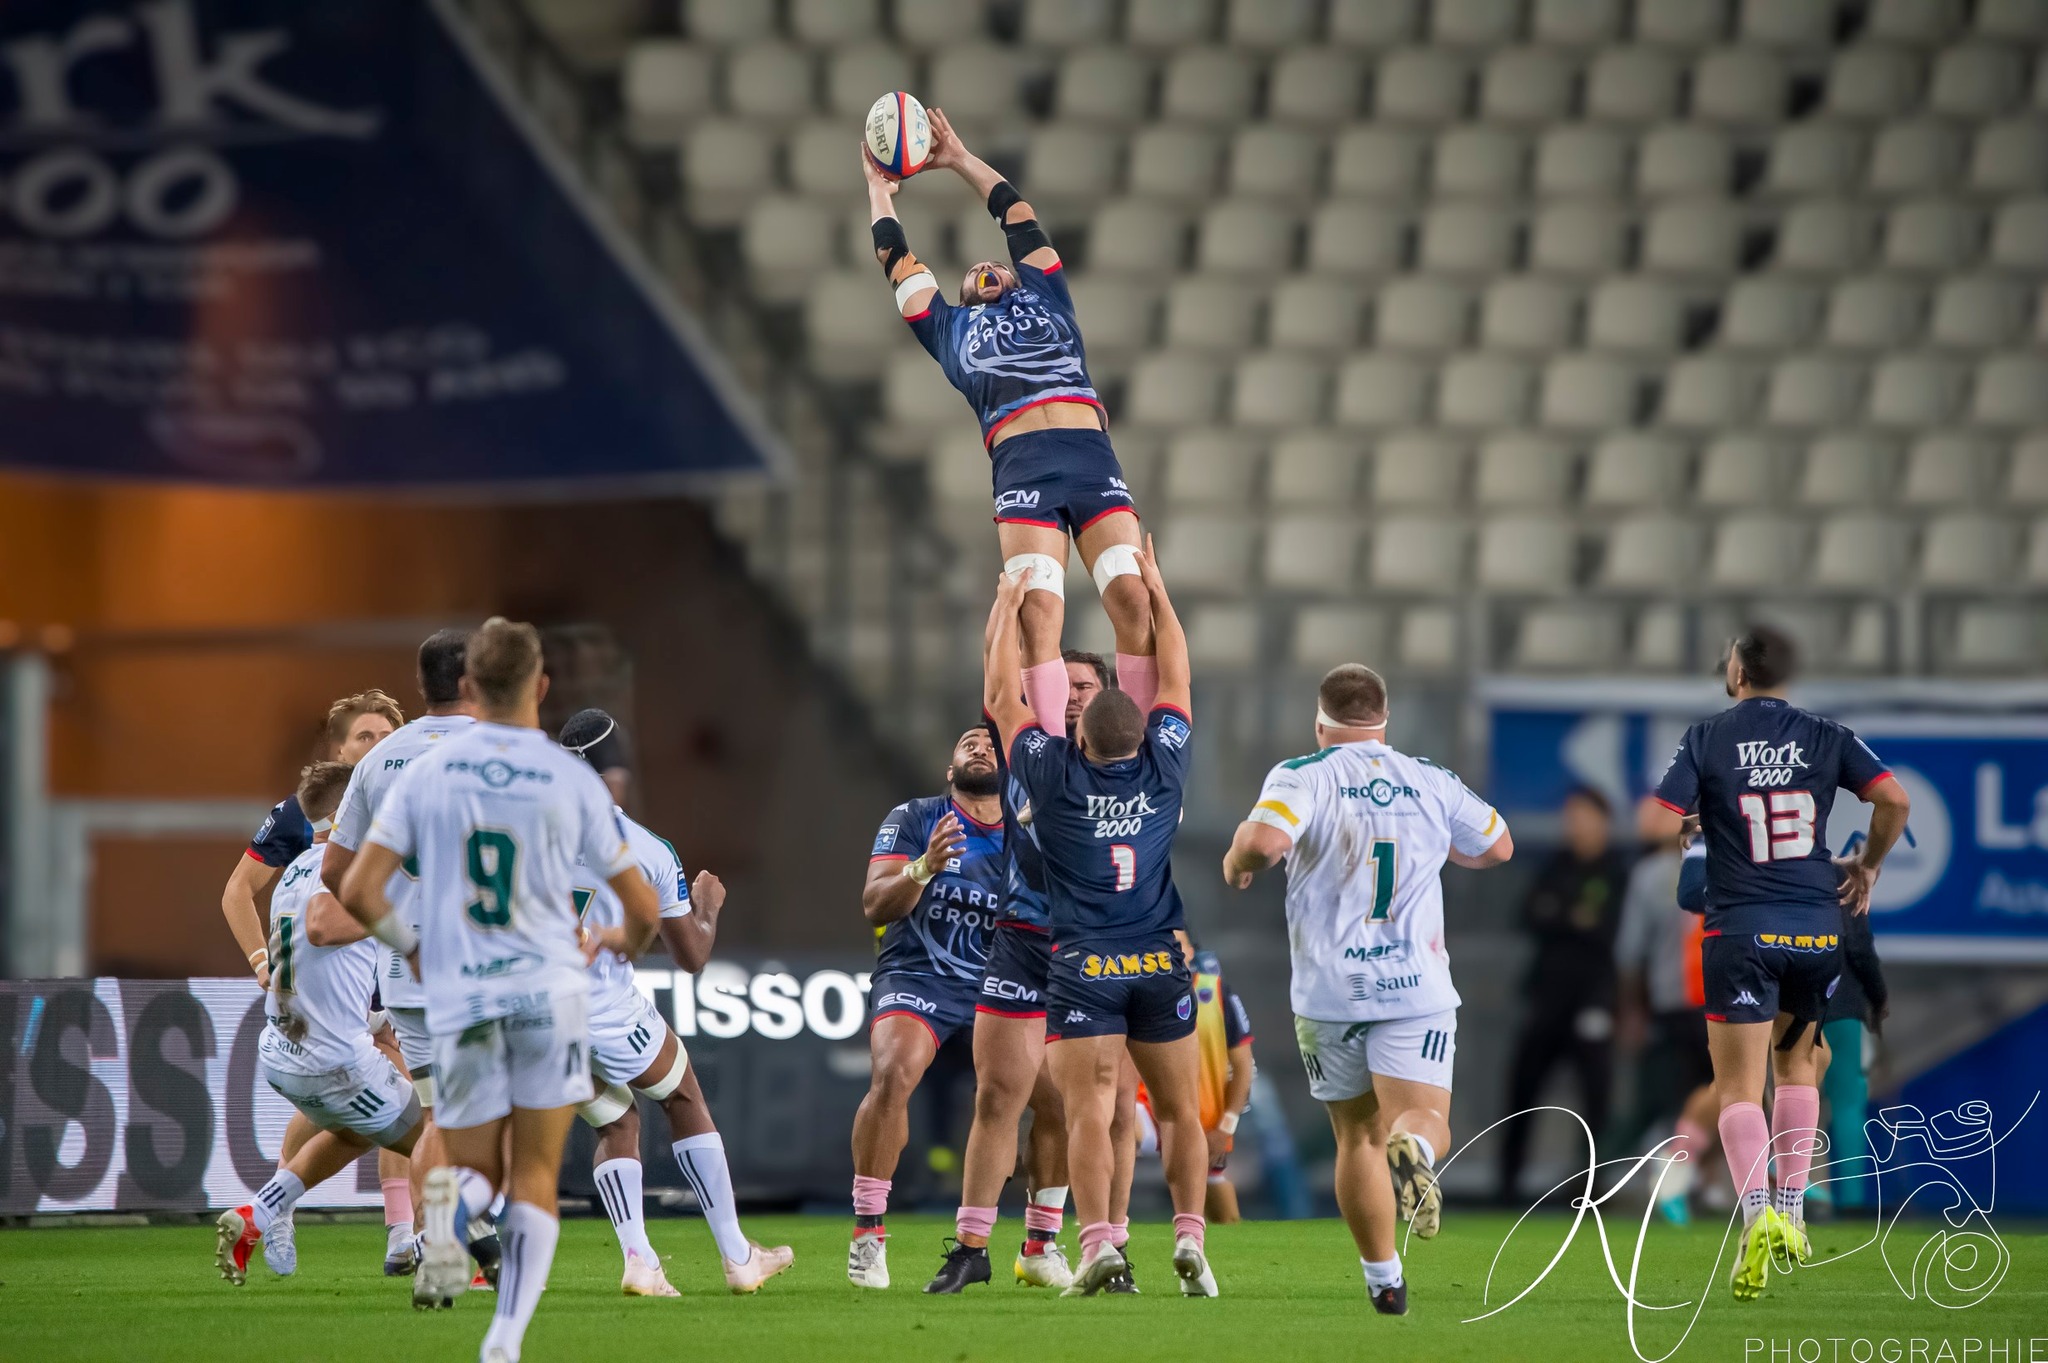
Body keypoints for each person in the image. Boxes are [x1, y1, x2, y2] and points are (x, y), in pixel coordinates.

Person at [340, 618, 662, 1363]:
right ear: (541, 686)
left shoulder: (424, 773)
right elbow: (640, 907)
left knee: (468, 1162)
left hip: (460, 995)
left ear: (470, 685)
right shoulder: (567, 776)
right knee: (537, 1174)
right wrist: (619, 940)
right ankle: (505, 1340)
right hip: (548, 990)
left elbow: (356, 887)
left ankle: (444, 1224)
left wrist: (412, 947)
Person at [1222, 664, 1513, 1316]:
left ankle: (1384, 1276)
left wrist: (1238, 858)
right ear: (1384, 719)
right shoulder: (1427, 775)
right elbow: (1499, 845)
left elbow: (1265, 843)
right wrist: (1442, 850)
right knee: (1422, 1119)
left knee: (1355, 1136)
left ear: (1321, 721)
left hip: (1332, 992)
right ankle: (1415, 1149)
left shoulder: (1304, 772)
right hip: (1416, 986)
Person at [863, 108, 1161, 737]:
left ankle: (1136, 748)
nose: (986, 266)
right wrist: (878, 190)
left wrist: (961, 160)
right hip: (1023, 465)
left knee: (1135, 601)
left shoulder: (1046, 294)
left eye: (994, 265)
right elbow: (896, 259)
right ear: (962, 292)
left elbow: (1018, 217)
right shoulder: (947, 329)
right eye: (972, 272)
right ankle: (1050, 762)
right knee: (1039, 617)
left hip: (1089, 456)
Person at [1640, 625, 1909, 1302]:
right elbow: (1894, 799)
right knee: (1800, 1066)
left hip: (1741, 928)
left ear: (1736, 670)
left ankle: (1756, 1209)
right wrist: (1868, 864)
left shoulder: (1707, 736)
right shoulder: (1827, 734)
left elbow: (1655, 819)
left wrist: (1694, 829)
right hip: (1817, 929)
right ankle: (1792, 1207)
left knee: (1737, 1085)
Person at [983, 539, 1220, 1299]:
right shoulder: (1167, 766)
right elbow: (1177, 673)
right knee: (1181, 1113)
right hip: (1158, 958)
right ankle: (1190, 1237)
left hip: (1083, 962)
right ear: (1144, 734)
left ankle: (1096, 1245)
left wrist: (1004, 611)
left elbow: (1001, 698)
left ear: (1080, 735)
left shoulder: (1051, 776)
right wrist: (1155, 590)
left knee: (1089, 1109)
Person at [557, 708, 792, 1296]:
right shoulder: (644, 848)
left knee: (614, 1119)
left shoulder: (522, 830)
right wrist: (709, 905)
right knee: (683, 1093)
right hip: (604, 1007)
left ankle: (640, 1260)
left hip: (533, 1013)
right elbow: (690, 956)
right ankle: (739, 1258)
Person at [929, 649, 1113, 1296]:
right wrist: (1015, 592)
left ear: (1109, 697)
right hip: (1020, 942)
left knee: (1070, 1103)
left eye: (1084, 685)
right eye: (1062, 684)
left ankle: (1045, 1244)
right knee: (997, 1094)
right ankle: (971, 1247)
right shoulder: (1023, 752)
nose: (1069, 694)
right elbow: (998, 676)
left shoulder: (1136, 766)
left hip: (1092, 950)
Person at [215, 760, 428, 1285]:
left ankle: (258, 1214)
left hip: (282, 1051)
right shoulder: (351, 876)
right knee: (442, 1144)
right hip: (335, 1060)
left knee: (357, 1131)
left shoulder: (292, 870)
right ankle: (457, 1252)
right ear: (345, 812)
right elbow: (329, 928)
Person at [321, 631, 491, 1279]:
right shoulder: (500, 751)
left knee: (437, 1117)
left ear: (420, 689)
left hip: (404, 972)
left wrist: (393, 930)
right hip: (478, 967)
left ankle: (431, 1245)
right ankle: (455, 1244)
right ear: (474, 680)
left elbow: (337, 871)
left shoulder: (379, 760)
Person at [848, 728, 1006, 1290]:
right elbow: (874, 903)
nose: (981, 748)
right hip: (919, 973)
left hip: (1000, 982)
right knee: (893, 1072)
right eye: (969, 742)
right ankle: (868, 1235)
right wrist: (924, 866)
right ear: (950, 768)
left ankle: (1040, 1243)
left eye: (992, 743)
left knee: (1055, 1099)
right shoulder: (915, 817)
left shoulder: (1030, 830)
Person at [1495, 786, 1630, 1206]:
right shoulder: (1555, 865)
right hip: (1546, 999)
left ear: (1602, 821)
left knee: (1594, 1098)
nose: (1575, 825)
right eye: (1570, 817)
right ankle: (1508, 1186)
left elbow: (1607, 930)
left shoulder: (1617, 872)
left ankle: (1592, 1188)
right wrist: (1571, 918)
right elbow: (1530, 913)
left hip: (1593, 1000)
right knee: (1523, 1089)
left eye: (1583, 816)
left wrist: (1564, 915)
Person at [1133, 931, 1255, 1225]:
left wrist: (1225, 1128)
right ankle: (1101, 1227)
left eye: (1179, 944)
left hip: (1203, 1116)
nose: (1172, 951)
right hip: (1145, 1107)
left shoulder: (1215, 993)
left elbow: (1243, 1067)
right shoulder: (1134, 989)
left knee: (1219, 1200)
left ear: (1191, 951)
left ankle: (1229, 1245)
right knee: (1119, 1127)